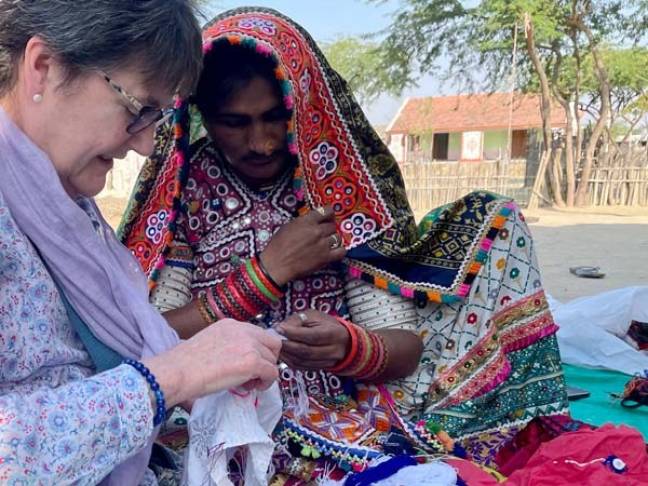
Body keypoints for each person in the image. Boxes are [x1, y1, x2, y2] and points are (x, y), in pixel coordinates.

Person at [121, 7, 569, 482]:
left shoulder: (336, 179)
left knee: (497, 222)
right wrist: (264, 276)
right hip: (207, 403)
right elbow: (150, 338)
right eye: (234, 122)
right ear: (201, 115)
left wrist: (350, 347)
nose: (262, 142)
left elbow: (405, 349)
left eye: (276, 116)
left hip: (332, 408)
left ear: (303, 104)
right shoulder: (183, 188)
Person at [0, 2, 281, 485]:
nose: (148, 144)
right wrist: (170, 376)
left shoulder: (61, 207)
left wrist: (200, 377)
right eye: (138, 110)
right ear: (44, 68)